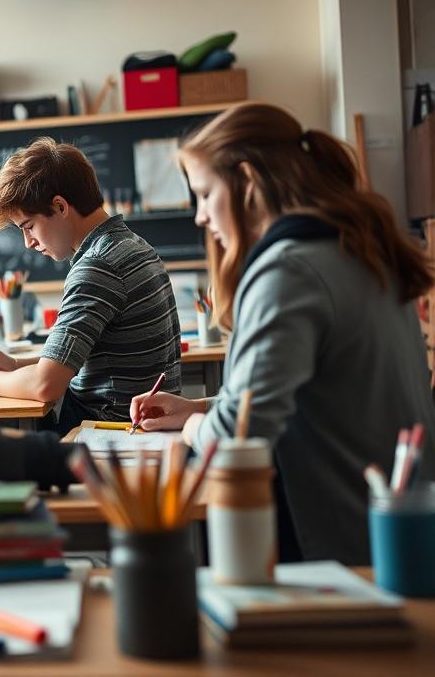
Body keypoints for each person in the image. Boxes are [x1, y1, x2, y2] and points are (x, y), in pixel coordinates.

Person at [129, 102, 435, 564]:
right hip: (394, 529)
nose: (200, 217)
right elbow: (317, 390)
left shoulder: (289, 269)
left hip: (341, 547)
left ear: (248, 183)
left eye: (206, 194)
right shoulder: (357, 246)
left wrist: (194, 425)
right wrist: (197, 406)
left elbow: (235, 439)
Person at [0, 137, 182, 433]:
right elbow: (88, 355)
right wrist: (17, 365)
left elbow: (46, 385)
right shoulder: (132, 245)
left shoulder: (98, 265)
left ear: (60, 206)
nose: (29, 243)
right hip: (132, 423)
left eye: (29, 226)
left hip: (109, 432)